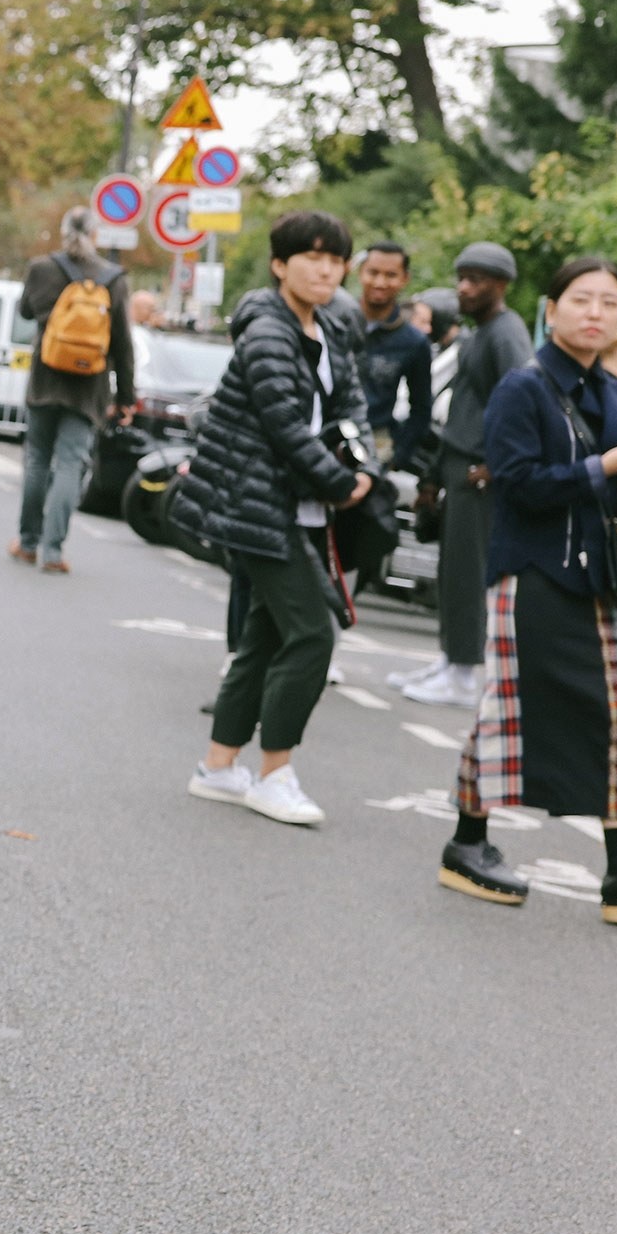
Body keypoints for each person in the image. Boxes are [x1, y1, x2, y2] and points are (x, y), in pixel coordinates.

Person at [437, 255, 617, 925]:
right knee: (508, 714)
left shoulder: (615, 390)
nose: (596, 313)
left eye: (611, 303)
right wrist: (608, 464)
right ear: (551, 310)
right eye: (582, 299)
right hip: (533, 572)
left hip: (600, 577)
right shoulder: (524, 388)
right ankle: (467, 843)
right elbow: (518, 484)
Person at [173, 210, 372, 827]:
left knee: (264, 636)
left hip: (295, 505)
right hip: (259, 505)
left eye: (336, 260)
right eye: (312, 257)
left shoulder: (327, 327)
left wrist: (363, 463)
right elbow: (286, 427)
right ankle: (273, 772)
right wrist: (342, 483)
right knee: (312, 634)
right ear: (280, 265)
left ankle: (218, 766)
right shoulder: (266, 331)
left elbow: (351, 404)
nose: (326, 269)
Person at [396, 245, 528, 709]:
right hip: (458, 463)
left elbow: (521, 403)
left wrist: (497, 465)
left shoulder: (506, 333)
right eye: (462, 277)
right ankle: (451, 659)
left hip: (479, 471)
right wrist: (435, 473)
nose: (464, 288)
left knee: (469, 572)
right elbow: (465, 406)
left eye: (477, 279)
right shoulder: (481, 331)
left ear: (502, 285)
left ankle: (466, 674)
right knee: (452, 569)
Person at [12, 207, 137, 573]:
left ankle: (28, 542)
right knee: (71, 463)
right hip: (89, 386)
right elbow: (123, 345)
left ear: (63, 231)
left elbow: (24, 312)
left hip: (45, 378)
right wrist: (126, 397)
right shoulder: (113, 278)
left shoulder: (41, 268)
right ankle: (53, 551)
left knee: (37, 459)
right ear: (96, 235)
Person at [353, 242, 433, 465]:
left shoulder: (413, 342)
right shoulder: (336, 321)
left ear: (404, 279)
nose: (380, 282)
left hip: (375, 443)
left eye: (390, 275)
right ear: (361, 273)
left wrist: (398, 455)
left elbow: (421, 408)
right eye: (373, 272)